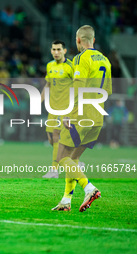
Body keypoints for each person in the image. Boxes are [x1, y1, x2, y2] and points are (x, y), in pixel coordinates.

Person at [52, 25, 112, 212]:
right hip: (97, 118)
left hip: (80, 116)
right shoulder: (106, 61)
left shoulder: (81, 58)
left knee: (61, 157)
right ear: (93, 40)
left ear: (78, 40)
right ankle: (66, 201)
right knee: (73, 158)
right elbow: (108, 91)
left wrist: (69, 114)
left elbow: (78, 88)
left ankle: (89, 188)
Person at [41, 40, 73, 178]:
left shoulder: (70, 67)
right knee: (51, 139)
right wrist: (39, 100)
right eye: (54, 49)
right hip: (52, 108)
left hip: (65, 108)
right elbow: (47, 85)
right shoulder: (50, 65)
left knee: (55, 136)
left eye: (59, 49)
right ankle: (73, 160)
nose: (56, 52)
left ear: (64, 51)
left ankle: (54, 170)